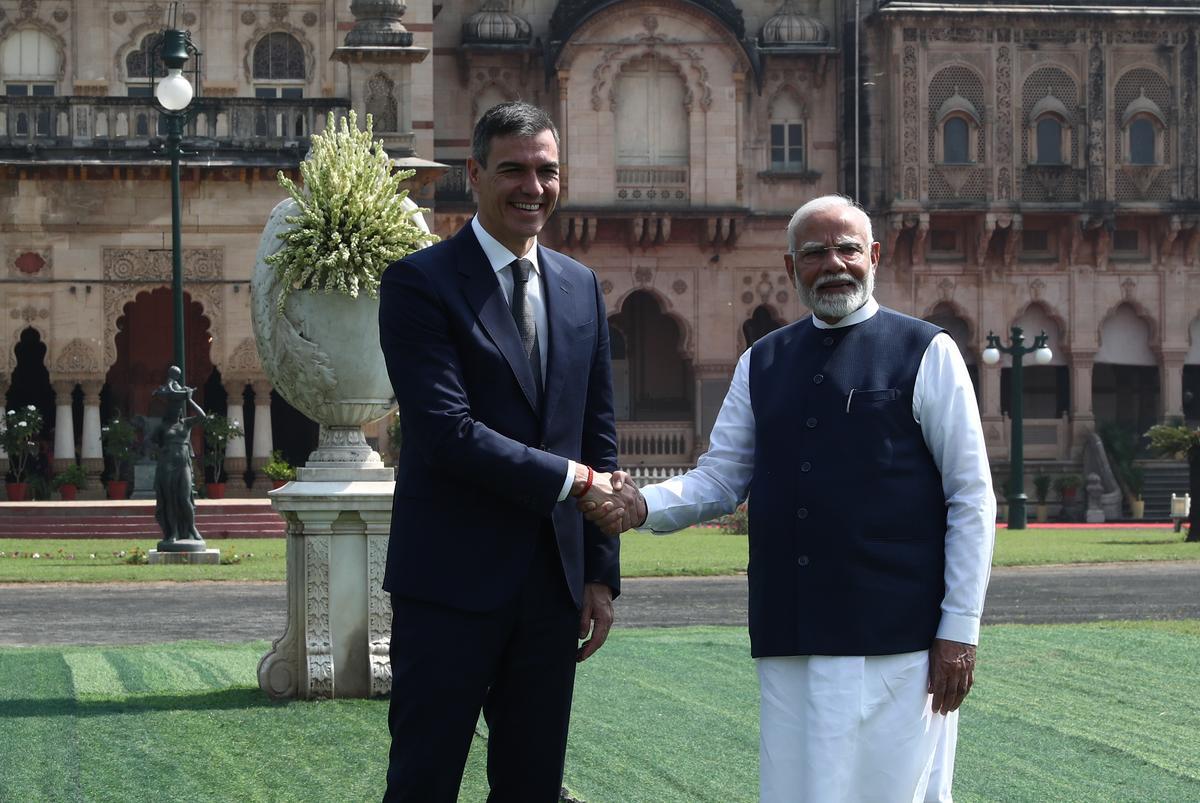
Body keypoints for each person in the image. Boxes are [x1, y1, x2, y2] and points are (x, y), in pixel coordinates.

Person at [585, 195, 995, 802]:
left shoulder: (925, 352)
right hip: (792, 633)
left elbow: (971, 497)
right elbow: (721, 477)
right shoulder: (763, 361)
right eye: (815, 253)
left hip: (896, 636)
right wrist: (641, 505)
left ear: (874, 256)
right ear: (790, 267)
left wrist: (959, 629)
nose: (834, 264)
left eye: (847, 249)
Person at [377, 101, 624, 803]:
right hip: (449, 586)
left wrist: (599, 574)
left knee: (531, 786)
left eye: (547, 171)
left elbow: (597, 434)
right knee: (423, 783)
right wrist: (575, 480)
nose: (533, 187)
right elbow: (445, 432)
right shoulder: (420, 283)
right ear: (476, 173)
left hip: (552, 589)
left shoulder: (580, 286)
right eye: (513, 169)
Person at [151, 368, 207, 545]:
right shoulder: (163, 427)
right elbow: (151, 443)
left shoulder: (186, 424)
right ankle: (172, 532)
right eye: (172, 409)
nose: (175, 411)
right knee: (169, 500)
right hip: (167, 464)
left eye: (177, 409)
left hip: (183, 464)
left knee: (184, 498)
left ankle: (192, 528)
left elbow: (202, 417)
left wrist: (189, 399)